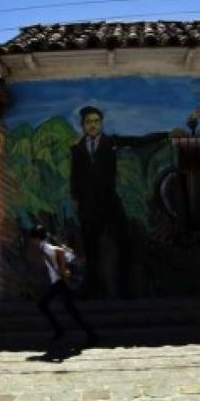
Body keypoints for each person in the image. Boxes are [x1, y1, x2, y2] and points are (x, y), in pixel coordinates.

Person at [69, 105, 164, 297]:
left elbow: (138, 141)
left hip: (111, 203)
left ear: (101, 123)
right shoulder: (77, 149)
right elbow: (75, 177)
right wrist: (76, 200)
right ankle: (93, 292)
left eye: (96, 121)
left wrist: (167, 134)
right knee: (91, 250)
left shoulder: (111, 142)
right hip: (88, 207)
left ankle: (126, 288)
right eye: (89, 122)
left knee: (126, 243)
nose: (93, 125)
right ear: (83, 125)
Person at [30, 225, 97, 345]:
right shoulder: (45, 244)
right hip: (59, 281)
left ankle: (61, 330)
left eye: (32, 238)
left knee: (43, 304)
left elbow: (60, 251)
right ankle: (89, 333)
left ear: (35, 238)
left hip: (60, 281)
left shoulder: (44, 246)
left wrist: (62, 270)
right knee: (71, 310)